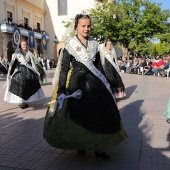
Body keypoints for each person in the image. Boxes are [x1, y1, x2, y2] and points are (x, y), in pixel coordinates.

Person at [43, 14, 127, 159]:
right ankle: (80, 144)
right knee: (78, 116)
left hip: (95, 85)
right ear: (76, 27)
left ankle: (98, 147)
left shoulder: (95, 44)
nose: (86, 29)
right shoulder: (69, 45)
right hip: (76, 85)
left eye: (88, 26)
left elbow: (99, 65)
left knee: (98, 115)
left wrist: (105, 82)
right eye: (83, 26)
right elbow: (63, 69)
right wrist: (62, 89)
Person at [4, 40, 46, 109]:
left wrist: (36, 72)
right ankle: (21, 101)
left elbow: (33, 64)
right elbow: (12, 65)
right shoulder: (16, 54)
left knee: (30, 83)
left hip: (28, 71)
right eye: (23, 44)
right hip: (19, 71)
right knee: (19, 84)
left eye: (26, 44)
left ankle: (26, 100)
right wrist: (10, 73)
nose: (25, 46)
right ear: (20, 45)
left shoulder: (30, 53)